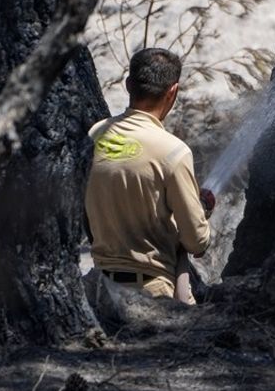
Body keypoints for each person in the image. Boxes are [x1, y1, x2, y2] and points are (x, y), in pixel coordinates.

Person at [85, 48, 214, 302]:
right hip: (151, 292)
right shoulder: (174, 152)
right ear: (172, 92)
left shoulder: (94, 135)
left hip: (98, 288)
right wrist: (201, 211)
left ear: (128, 84)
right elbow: (196, 243)